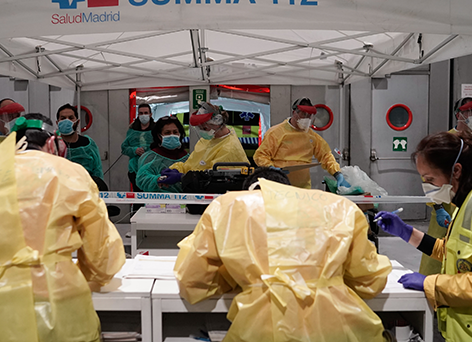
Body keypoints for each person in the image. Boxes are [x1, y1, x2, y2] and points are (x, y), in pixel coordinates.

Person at [0, 113, 125, 342]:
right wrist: (85, 274)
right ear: (52, 142)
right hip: (58, 304)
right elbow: (101, 258)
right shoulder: (70, 173)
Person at [175, 170, 392, 342]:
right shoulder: (341, 207)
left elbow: (194, 283)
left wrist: (237, 276)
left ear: (249, 190)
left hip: (260, 327)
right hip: (336, 326)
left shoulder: (227, 206)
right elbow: (370, 282)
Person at [375, 130, 472, 342]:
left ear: (456, 171)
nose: (427, 187)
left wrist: (431, 284)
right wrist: (406, 232)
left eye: (430, 179)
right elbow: (454, 253)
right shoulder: (467, 202)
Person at [420, 98, 472, 276]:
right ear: (459, 114)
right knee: (436, 256)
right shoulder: (446, 142)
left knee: (471, 255)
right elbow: (429, 178)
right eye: (471, 112)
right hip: (447, 206)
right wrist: (438, 207)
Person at [253, 97, 350, 189]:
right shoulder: (276, 133)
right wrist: (271, 168)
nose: (307, 118)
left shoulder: (312, 136)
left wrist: (337, 174)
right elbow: (260, 156)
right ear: (294, 113)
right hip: (278, 186)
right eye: (304, 114)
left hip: (303, 189)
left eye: (309, 115)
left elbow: (326, 156)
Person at [159, 102, 249, 186]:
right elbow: (191, 166)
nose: (201, 131)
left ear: (217, 123)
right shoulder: (207, 140)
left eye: (204, 128)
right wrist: (176, 169)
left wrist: (181, 177)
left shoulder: (229, 149)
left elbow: (211, 179)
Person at [135, 116, 189, 192]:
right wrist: (159, 179)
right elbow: (142, 179)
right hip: (158, 202)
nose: (172, 135)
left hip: (187, 201)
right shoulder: (150, 157)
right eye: (167, 133)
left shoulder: (187, 157)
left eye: (175, 132)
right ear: (159, 136)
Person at [56, 104, 105, 181]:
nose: (67, 120)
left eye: (71, 118)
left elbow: (97, 171)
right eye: (63, 118)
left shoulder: (88, 144)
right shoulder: (52, 145)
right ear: (57, 122)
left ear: (77, 122)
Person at [121, 103, 155, 192]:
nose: (143, 115)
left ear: (150, 114)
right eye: (141, 113)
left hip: (152, 169)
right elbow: (124, 148)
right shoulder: (132, 130)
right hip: (134, 170)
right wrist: (134, 150)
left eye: (146, 113)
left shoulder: (156, 130)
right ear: (138, 115)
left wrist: (148, 151)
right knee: (138, 197)